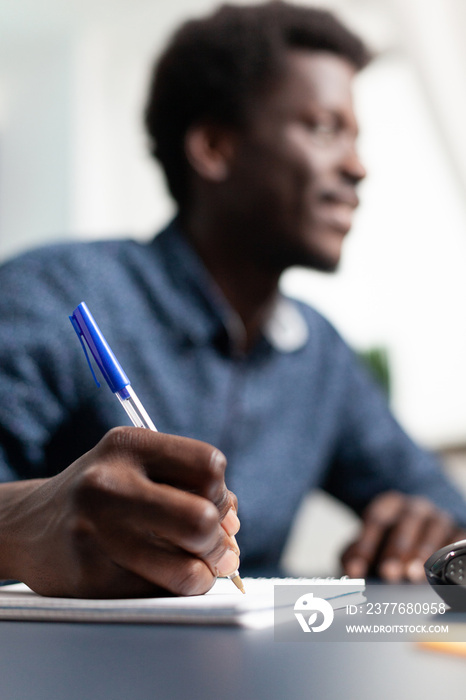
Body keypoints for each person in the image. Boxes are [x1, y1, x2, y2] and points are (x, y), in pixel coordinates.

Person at [0, 1, 465, 598]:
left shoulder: (317, 352)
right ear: (215, 147)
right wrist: (20, 524)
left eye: (356, 137)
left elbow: (439, 501)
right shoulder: (52, 296)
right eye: (324, 128)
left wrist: (428, 524)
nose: (357, 166)